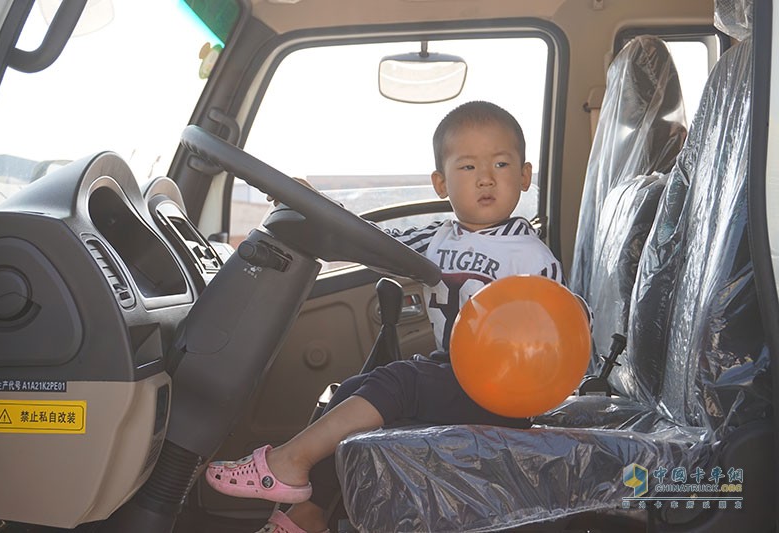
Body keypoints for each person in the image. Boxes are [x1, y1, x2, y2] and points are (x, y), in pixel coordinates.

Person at [206, 101, 579, 533]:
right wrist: (313, 203)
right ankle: (307, 515)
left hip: (504, 395)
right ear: (440, 182)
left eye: (501, 163)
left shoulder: (532, 256)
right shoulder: (437, 236)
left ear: (525, 175)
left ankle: (287, 462)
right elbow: (371, 240)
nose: (486, 178)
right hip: (454, 373)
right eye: (467, 167)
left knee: (398, 382)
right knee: (352, 390)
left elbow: (563, 330)